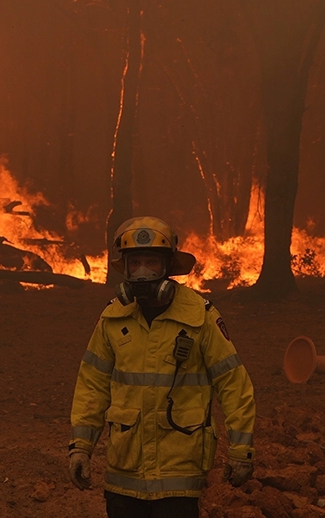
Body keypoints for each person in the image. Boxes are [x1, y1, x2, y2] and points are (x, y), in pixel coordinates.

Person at [68, 216, 256, 518]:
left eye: (151, 262)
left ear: (168, 267)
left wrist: (241, 451)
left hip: (178, 477)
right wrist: (80, 447)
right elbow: (92, 386)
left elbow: (234, 384)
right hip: (123, 475)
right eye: (135, 263)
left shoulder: (200, 316)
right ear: (125, 268)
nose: (143, 272)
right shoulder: (112, 318)